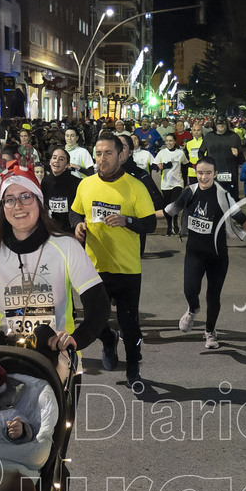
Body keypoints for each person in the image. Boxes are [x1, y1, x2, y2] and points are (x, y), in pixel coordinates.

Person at [0, 165, 109, 352]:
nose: (18, 205)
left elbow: (99, 306)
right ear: (3, 207)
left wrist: (76, 340)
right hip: (8, 354)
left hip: (56, 358)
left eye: (26, 196)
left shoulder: (66, 246)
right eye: (10, 200)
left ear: (39, 202)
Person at [70, 132, 157, 387]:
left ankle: (133, 368)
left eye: (108, 153)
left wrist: (127, 221)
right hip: (93, 267)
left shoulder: (135, 186)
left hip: (127, 268)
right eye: (98, 153)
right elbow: (75, 214)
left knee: (129, 323)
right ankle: (108, 340)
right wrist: (77, 227)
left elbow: (150, 223)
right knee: (93, 321)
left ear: (121, 155)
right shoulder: (86, 184)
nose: (102, 158)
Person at [158, 155, 246, 349]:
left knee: (214, 296)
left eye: (208, 173)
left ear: (215, 174)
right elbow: (169, 211)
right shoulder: (190, 192)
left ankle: (210, 332)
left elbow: (242, 218)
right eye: (200, 173)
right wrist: (140, 217)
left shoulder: (223, 195)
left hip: (218, 255)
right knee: (190, 289)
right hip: (194, 252)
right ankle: (193, 309)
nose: (204, 177)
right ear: (195, 173)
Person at [199, 117, 243, 200]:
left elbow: (241, 160)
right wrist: (203, 164)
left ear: (227, 124)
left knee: (231, 199)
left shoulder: (234, 136)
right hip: (213, 172)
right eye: (219, 124)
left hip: (230, 173)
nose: (221, 126)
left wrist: (237, 154)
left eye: (223, 124)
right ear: (215, 125)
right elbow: (200, 152)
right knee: (213, 198)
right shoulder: (209, 136)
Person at [41, 147, 81, 234]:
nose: (56, 161)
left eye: (61, 159)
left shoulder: (77, 182)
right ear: (50, 161)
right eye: (54, 158)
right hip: (51, 230)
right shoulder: (45, 182)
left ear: (67, 164)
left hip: (71, 230)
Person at [155, 133, 186, 235]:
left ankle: (175, 224)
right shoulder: (162, 152)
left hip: (177, 183)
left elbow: (186, 164)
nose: (169, 143)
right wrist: (162, 166)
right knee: (167, 207)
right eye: (167, 141)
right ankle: (169, 226)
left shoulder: (180, 153)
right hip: (165, 183)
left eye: (171, 141)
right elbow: (155, 165)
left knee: (174, 204)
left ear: (175, 141)